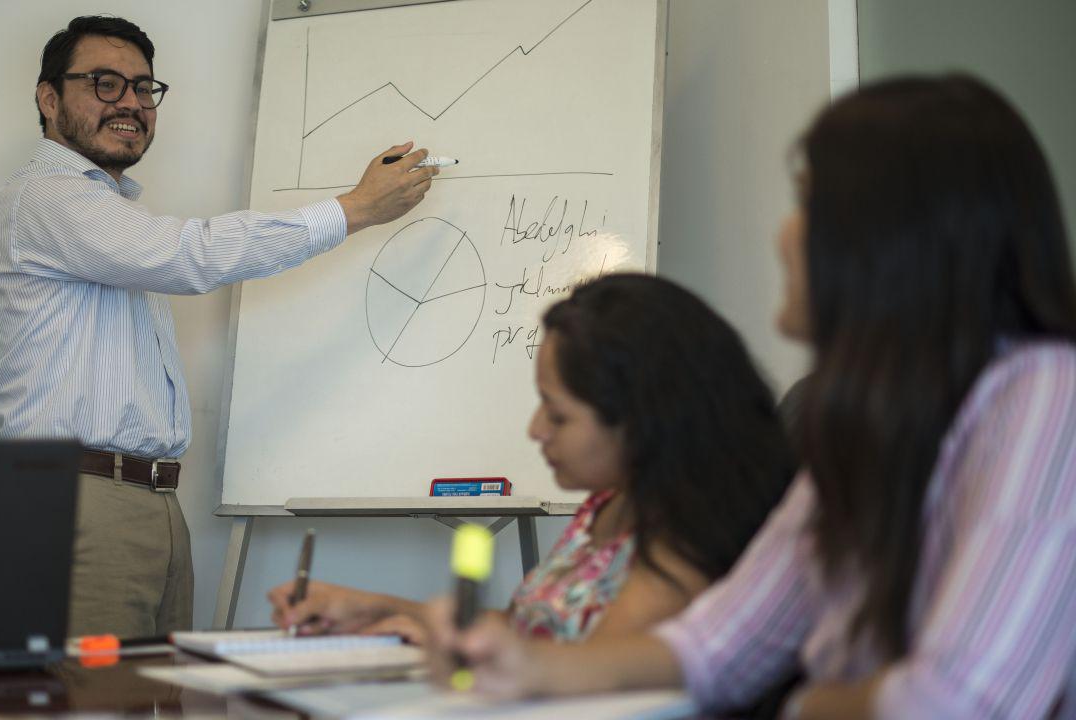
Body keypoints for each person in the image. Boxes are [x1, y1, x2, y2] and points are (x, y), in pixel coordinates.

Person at [429, 75, 1076, 719]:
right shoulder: (863, 416)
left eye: (808, 204)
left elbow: (951, 704)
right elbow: (714, 648)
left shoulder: (1046, 393)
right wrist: (530, 667)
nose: (785, 233)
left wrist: (806, 705)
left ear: (891, 242)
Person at [0, 15, 438, 637]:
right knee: (90, 704)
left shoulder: (109, 212)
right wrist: (354, 209)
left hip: (147, 502)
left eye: (144, 88)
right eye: (104, 84)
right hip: (81, 504)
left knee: (160, 701)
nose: (131, 104)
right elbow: (188, 256)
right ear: (48, 97)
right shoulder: (43, 197)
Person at [267, 273, 796, 646]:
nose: (535, 430)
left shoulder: (691, 539)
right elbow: (536, 631)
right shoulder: (605, 506)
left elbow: (586, 672)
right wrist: (381, 609)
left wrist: (443, 639)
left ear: (641, 417)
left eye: (559, 415)